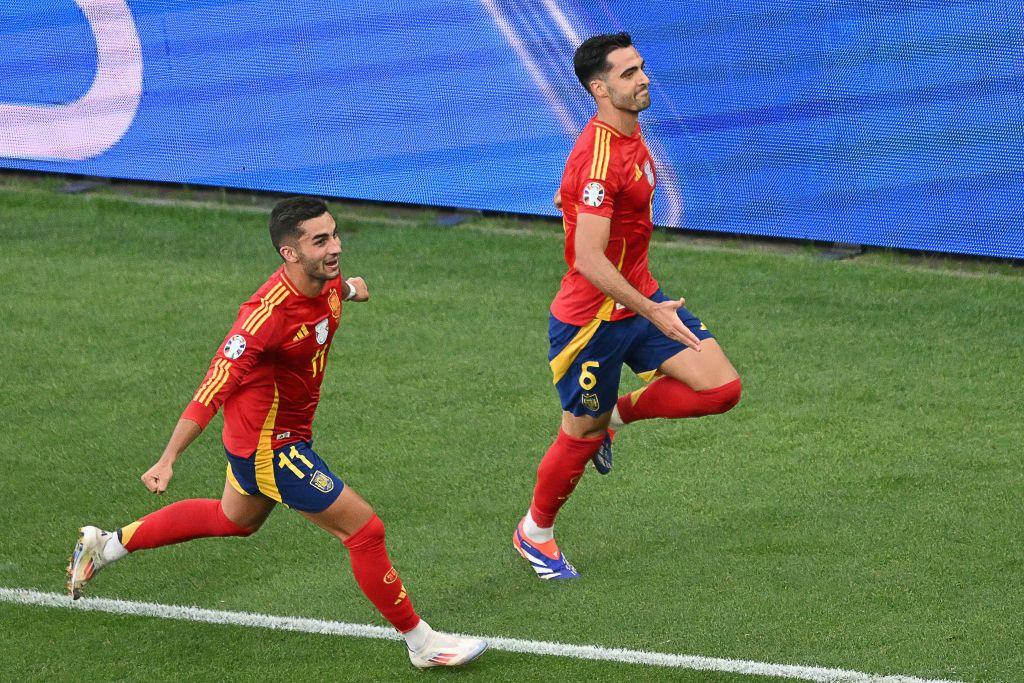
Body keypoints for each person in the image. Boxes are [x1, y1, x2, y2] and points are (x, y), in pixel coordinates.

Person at [67, 197, 487, 669]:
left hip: (271, 439)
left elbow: (329, 294)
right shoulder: (262, 318)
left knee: (233, 521)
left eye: (335, 234)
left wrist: (350, 289)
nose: (336, 247)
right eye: (321, 240)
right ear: (290, 254)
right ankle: (422, 643)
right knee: (365, 530)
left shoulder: (325, 281)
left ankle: (107, 544)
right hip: (271, 449)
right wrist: (168, 458)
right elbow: (213, 387)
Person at [513, 33, 742, 580]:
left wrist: (573, 204)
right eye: (627, 73)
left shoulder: (629, 136)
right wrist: (656, 311)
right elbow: (590, 260)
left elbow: (581, 200)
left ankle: (612, 416)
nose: (642, 79)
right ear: (599, 88)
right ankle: (535, 532)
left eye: (640, 68)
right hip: (591, 321)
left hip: (637, 298)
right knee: (578, 434)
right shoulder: (599, 161)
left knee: (720, 388)